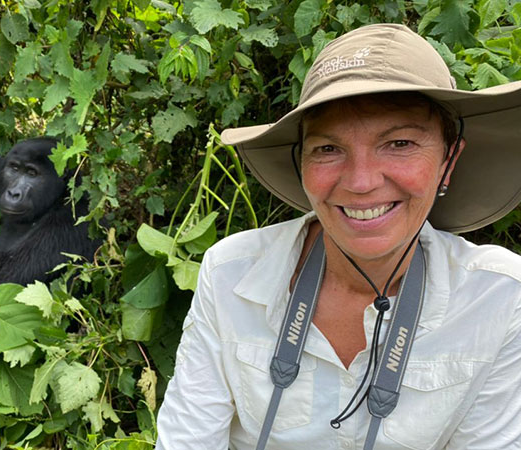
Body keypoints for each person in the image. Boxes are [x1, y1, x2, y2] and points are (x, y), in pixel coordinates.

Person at [155, 23, 521, 449]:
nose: (362, 182)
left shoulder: (499, 297)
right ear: (301, 163)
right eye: (328, 149)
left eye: (399, 143)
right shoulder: (230, 275)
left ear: (449, 158)